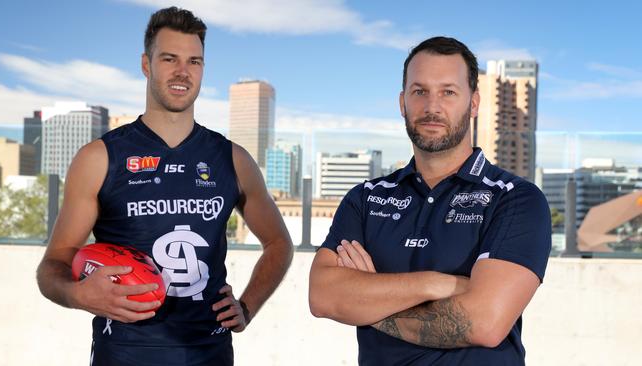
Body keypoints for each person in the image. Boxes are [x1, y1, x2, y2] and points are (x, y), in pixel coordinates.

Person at [36, 7, 293, 366]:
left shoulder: (232, 159)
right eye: (169, 59)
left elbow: (279, 243)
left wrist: (247, 306)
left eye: (194, 62)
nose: (182, 72)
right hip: (124, 354)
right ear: (146, 64)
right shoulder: (99, 158)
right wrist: (78, 294)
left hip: (209, 354)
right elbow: (52, 266)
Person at [309, 36, 551, 365]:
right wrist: (439, 284)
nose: (432, 107)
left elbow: (484, 323)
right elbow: (323, 296)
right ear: (402, 102)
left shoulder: (515, 198)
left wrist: (368, 304)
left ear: (474, 103)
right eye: (419, 91)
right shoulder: (366, 199)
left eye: (448, 92)